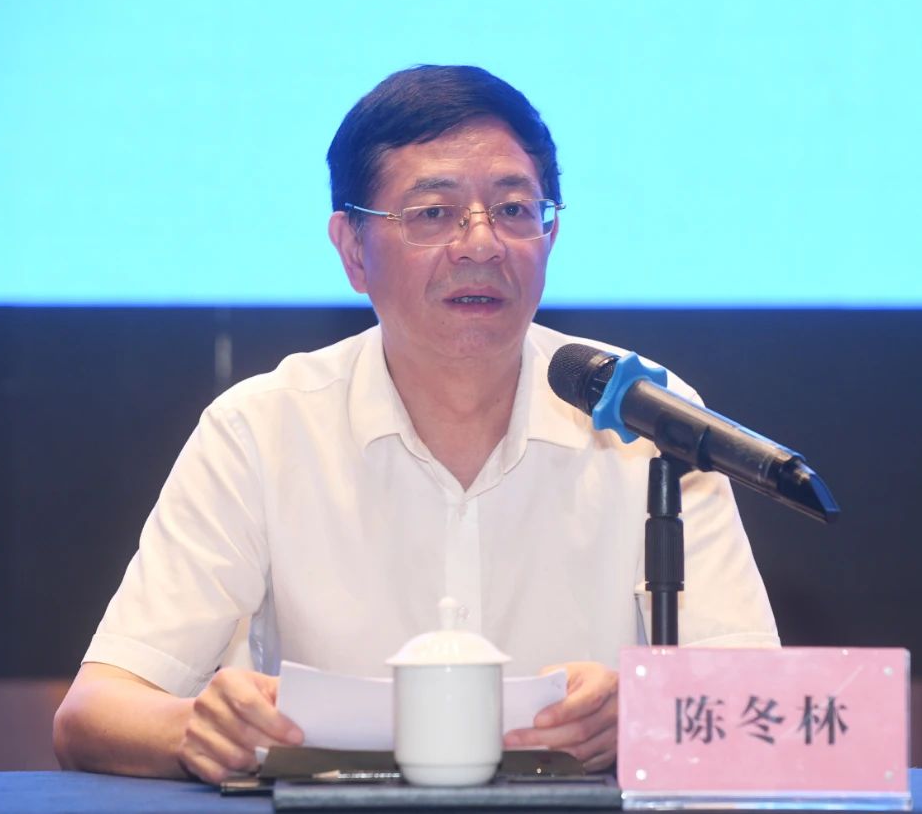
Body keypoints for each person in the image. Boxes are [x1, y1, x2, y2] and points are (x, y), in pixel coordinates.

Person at [53, 65, 778, 783]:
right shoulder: (262, 428)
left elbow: (759, 708)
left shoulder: (646, 418)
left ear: (550, 234)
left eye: (514, 209)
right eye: (433, 213)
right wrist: (195, 728)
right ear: (352, 250)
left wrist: (642, 716)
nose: (481, 244)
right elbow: (93, 711)